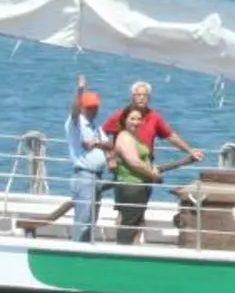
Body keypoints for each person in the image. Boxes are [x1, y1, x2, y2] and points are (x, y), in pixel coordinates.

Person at [102, 81, 205, 170]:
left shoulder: (154, 117)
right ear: (132, 97)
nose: (141, 98)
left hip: (146, 164)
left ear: (149, 98)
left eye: (145, 95)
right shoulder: (120, 115)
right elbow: (101, 135)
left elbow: (170, 136)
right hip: (124, 165)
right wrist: (109, 157)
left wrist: (190, 150)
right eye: (138, 95)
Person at [108, 106, 163, 245]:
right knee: (129, 223)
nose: (136, 122)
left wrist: (152, 167)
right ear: (124, 120)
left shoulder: (134, 137)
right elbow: (134, 162)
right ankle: (121, 253)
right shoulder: (124, 136)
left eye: (139, 119)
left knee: (136, 222)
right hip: (131, 185)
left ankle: (128, 250)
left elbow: (142, 159)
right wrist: (153, 176)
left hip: (140, 185)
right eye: (132, 119)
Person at [65, 78, 109, 242]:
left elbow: (109, 144)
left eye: (95, 107)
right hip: (84, 175)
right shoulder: (75, 124)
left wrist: (98, 143)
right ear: (83, 107)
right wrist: (80, 91)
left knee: (92, 219)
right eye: (90, 108)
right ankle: (77, 249)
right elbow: (74, 112)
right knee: (83, 219)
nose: (93, 110)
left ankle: (87, 245)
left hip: (97, 176)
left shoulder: (96, 126)